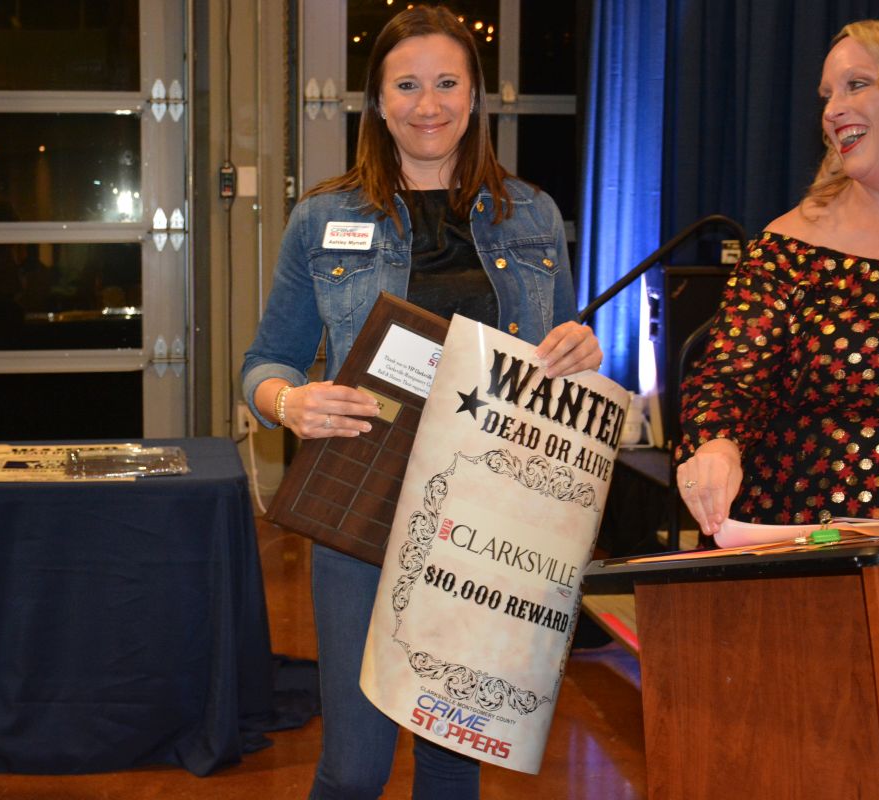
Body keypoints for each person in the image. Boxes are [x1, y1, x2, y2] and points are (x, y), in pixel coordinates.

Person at [241, 7, 601, 797]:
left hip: (489, 523)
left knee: (449, 756)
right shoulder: (323, 218)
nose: (428, 104)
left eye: (446, 83)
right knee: (354, 768)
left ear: (475, 97)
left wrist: (580, 353)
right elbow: (263, 362)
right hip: (361, 506)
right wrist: (288, 401)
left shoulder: (532, 215)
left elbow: (556, 363)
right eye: (406, 85)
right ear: (377, 101)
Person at [675, 19, 879, 535]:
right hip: (813, 545)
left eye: (856, 85)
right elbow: (727, 385)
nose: (832, 111)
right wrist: (717, 447)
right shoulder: (791, 246)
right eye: (827, 96)